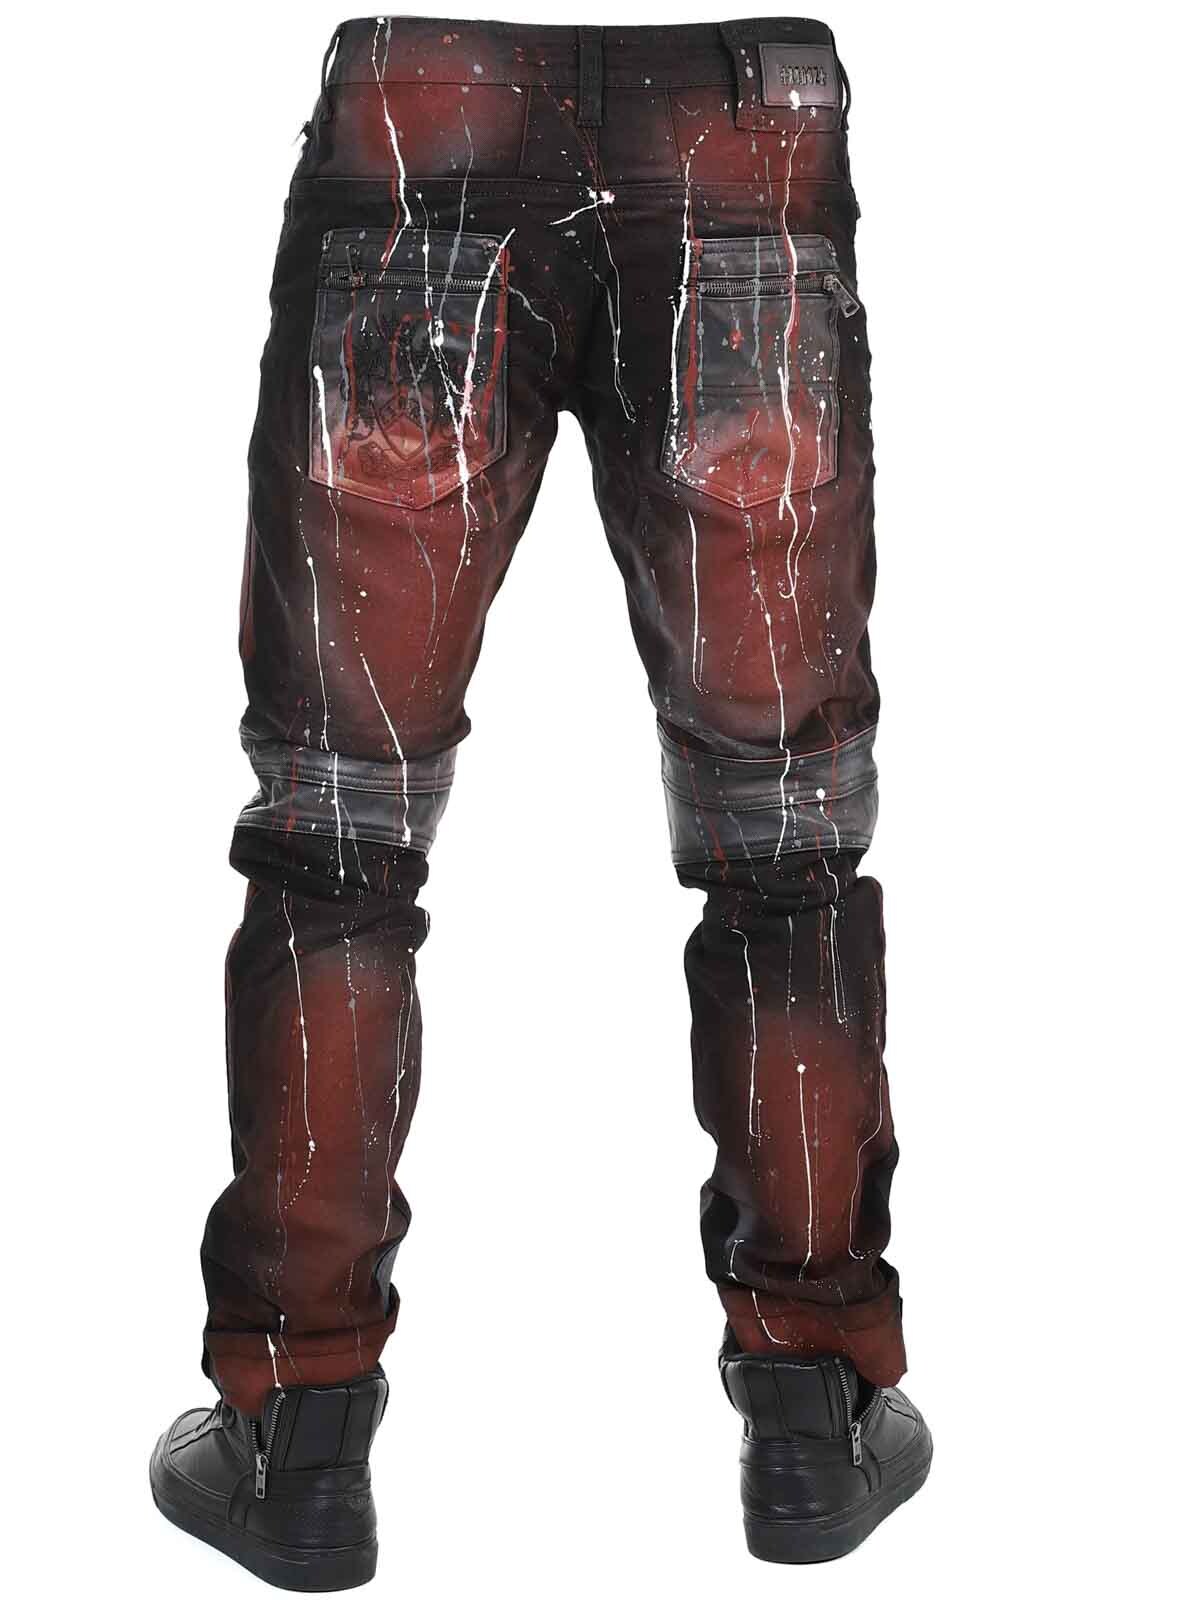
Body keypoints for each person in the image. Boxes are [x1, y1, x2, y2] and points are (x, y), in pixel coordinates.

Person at [149, 16, 931, 1588]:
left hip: (423, 112)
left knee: (335, 841)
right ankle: (816, 1406)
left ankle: (297, 1430)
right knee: (784, 840)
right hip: (737, 135)